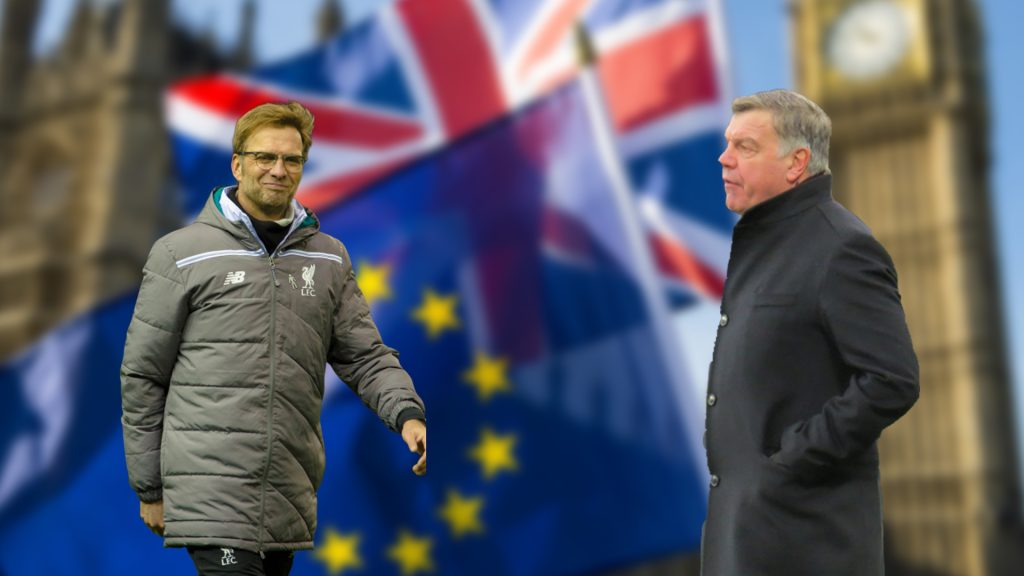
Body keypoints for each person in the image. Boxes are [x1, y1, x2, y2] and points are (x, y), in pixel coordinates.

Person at [121, 101, 427, 576]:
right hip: (211, 494)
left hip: (287, 492)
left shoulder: (328, 258)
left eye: (291, 160)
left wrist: (406, 413)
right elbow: (144, 374)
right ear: (237, 164)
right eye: (265, 157)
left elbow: (365, 356)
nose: (278, 170)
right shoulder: (180, 254)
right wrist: (150, 488)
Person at [701, 89, 919, 575]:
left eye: (745, 147)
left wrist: (790, 462)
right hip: (744, 539)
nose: (724, 158)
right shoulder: (765, 244)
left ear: (797, 163)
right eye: (728, 143)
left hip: (806, 545)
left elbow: (892, 379)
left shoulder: (841, 247)